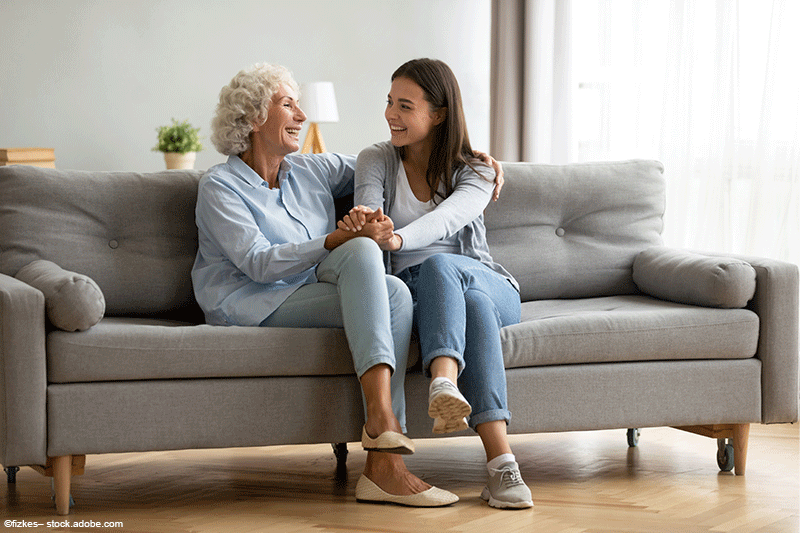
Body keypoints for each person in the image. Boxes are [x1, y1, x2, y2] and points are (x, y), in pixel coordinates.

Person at [191, 63, 459, 507]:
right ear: (255, 118)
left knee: (394, 289)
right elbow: (258, 263)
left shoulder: (311, 171)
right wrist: (335, 239)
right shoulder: (220, 187)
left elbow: (392, 160)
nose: (301, 115)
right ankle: (383, 429)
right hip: (251, 302)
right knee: (355, 250)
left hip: (309, 287)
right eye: (288, 105)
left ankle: (381, 454)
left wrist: (468, 160)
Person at [341, 58, 533, 509]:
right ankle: (503, 467)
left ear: (439, 113)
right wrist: (369, 224)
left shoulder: (478, 171)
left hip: (488, 281)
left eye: (405, 106)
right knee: (473, 308)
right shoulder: (375, 158)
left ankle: (444, 379)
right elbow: (370, 212)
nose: (391, 114)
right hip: (423, 293)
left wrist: (399, 236)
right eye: (389, 102)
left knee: (446, 270)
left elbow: (448, 221)